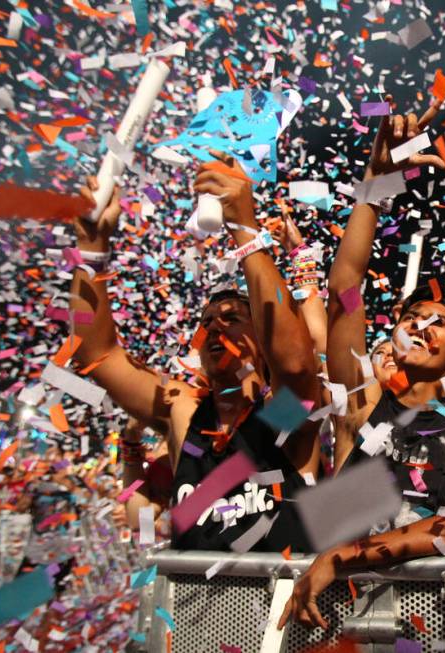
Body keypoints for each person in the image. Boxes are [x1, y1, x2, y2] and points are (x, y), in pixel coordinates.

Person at [278, 95, 445, 631]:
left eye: (438, 324)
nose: (421, 326)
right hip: (330, 624)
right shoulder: (365, 401)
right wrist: (374, 186)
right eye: (413, 315)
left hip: (427, 628)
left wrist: (342, 557)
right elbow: (345, 290)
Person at [69, 151, 322, 552]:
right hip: (193, 612)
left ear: (262, 338)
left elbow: (294, 364)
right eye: (206, 323)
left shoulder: (280, 417)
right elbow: (95, 355)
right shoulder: (183, 413)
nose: (216, 326)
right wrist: (92, 250)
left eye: (232, 317)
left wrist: (244, 226)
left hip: (278, 611)